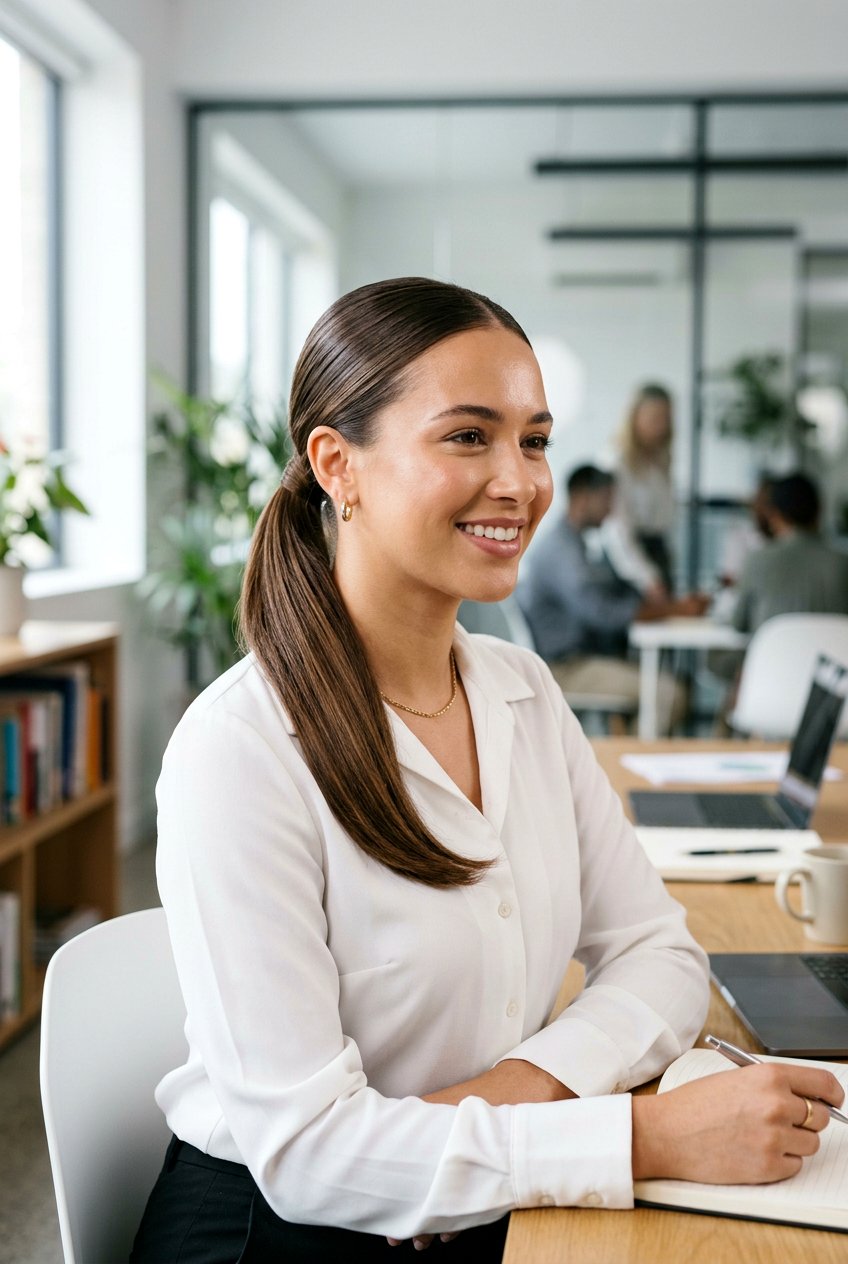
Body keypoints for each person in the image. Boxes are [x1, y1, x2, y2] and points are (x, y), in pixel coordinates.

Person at [132, 279, 842, 1263]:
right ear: (338, 465)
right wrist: (639, 1136)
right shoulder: (240, 748)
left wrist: (507, 1094)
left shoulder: (519, 689)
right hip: (284, 1231)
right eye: (467, 437)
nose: (518, 481)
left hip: (479, 1184)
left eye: (534, 439)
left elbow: (661, 953)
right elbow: (309, 1155)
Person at [518, 464, 707, 732]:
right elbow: (602, 614)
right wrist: (673, 609)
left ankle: (623, 754)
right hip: (566, 669)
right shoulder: (562, 551)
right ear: (583, 498)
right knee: (669, 693)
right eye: (606, 499)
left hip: (579, 660)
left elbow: (607, 597)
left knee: (662, 681)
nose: (611, 510)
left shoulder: (575, 543)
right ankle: (629, 765)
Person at [731, 471, 848, 634]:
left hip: (773, 659)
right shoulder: (842, 563)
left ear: (774, 515)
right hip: (834, 658)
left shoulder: (756, 560)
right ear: (819, 511)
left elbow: (738, 624)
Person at [602, 382, 677, 598]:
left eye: (666, 418)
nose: (661, 426)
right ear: (634, 416)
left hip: (657, 553)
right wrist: (647, 578)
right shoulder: (617, 461)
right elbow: (618, 530)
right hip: (629, 561)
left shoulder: (660, 460)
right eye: (654, 417)